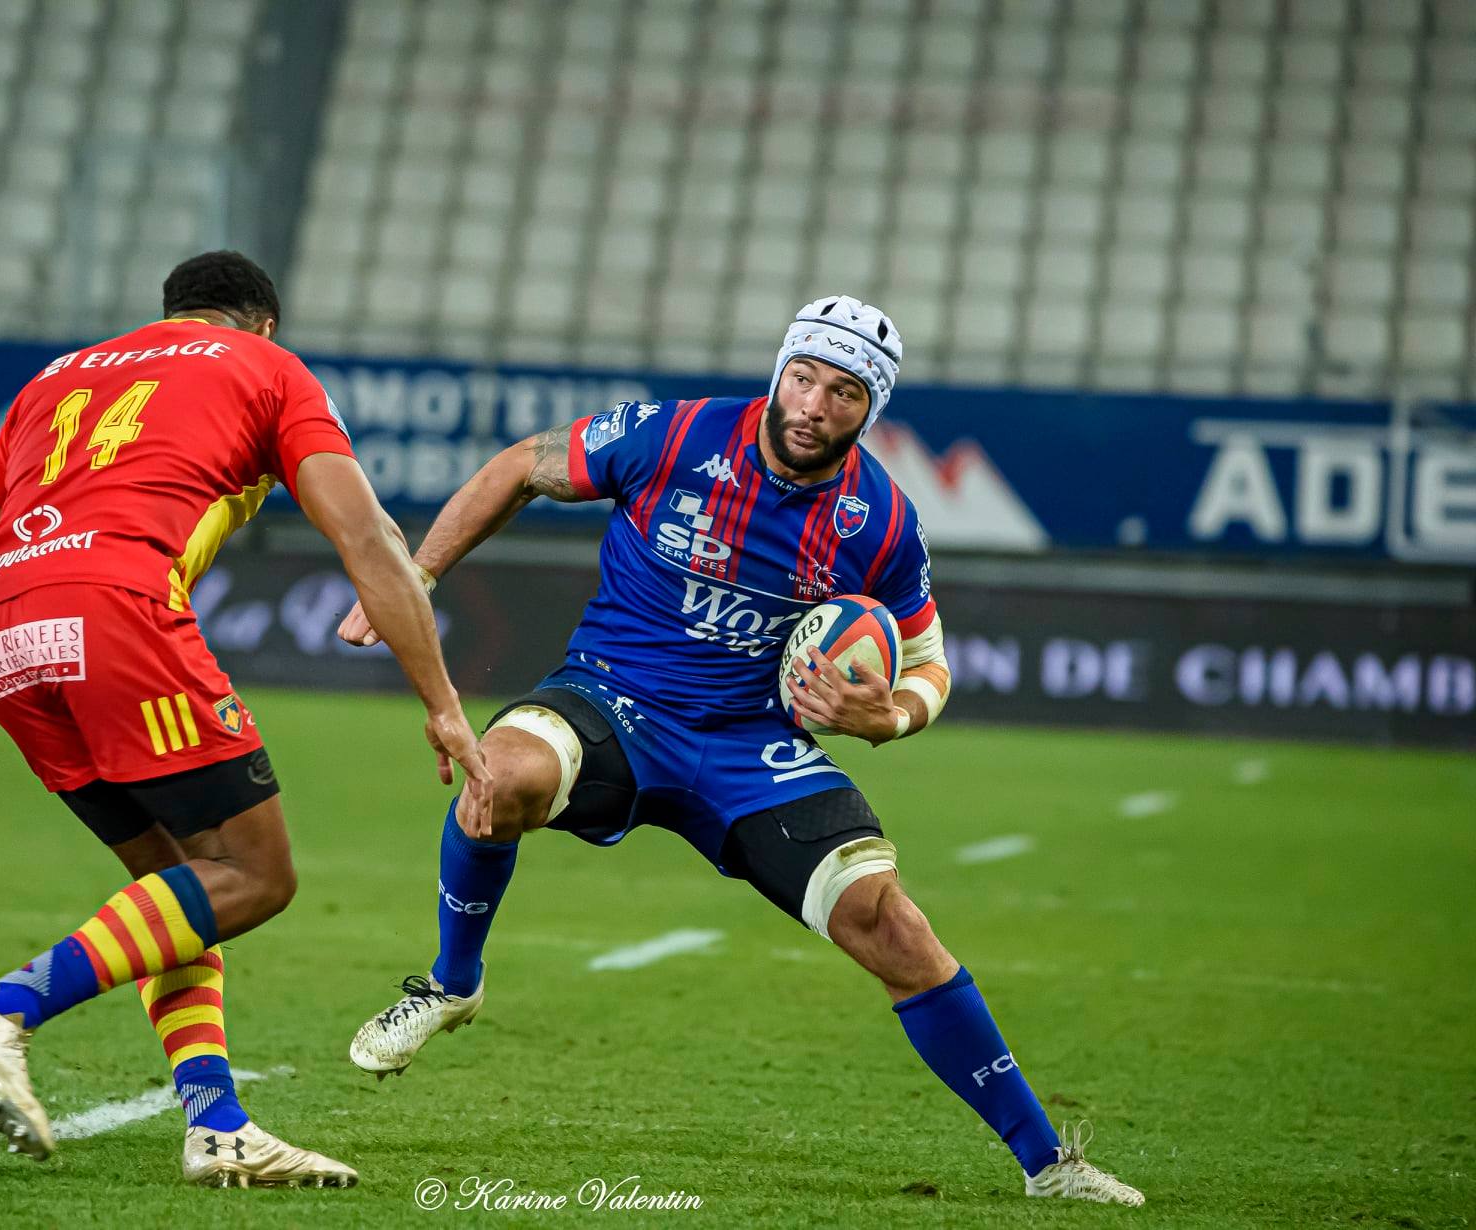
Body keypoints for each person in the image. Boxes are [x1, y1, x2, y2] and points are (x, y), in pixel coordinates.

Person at [336, 296, 1142, 1206]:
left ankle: (1048, 1163)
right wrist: (419, 576)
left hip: (753, 745)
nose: (813, 405)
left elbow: (928, 662)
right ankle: (451, 982)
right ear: (780, 371)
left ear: (867, 410)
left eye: (843, 393)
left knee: (895, 928)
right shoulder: (674, 436)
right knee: (500, 776)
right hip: (616, 699)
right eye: (803, 377)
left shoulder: (881, 521)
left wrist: (888, 718)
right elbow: (524, 464)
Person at [0, 250, 490, 1189]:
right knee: (255, 875)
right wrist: (443, 704)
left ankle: (217, 1125)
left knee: (177, 895)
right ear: (264, 323)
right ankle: (0, 1007)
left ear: (165, 316)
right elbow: (368, 538)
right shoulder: (269, 369)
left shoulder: (56, 378)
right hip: (115, 606)